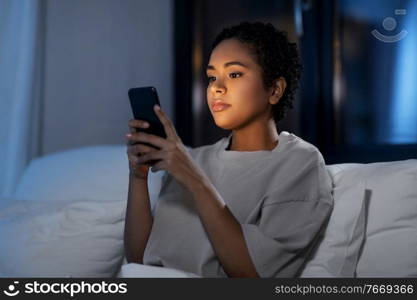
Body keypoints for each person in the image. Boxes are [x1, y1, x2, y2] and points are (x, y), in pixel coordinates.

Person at [123, 21, 334, 278]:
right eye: (212, 77)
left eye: (234, 74)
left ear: (275, 90)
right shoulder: (193, 159)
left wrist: (195, 180)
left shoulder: (299, 162)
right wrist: (138, 177)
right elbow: (137, 260)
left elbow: (251, 274)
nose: (216, 88)